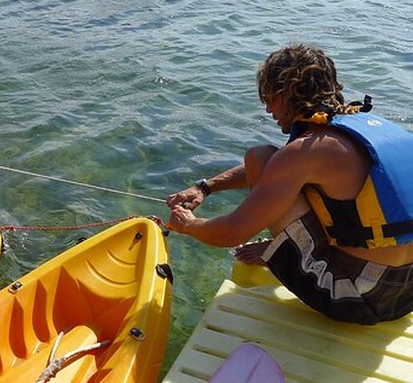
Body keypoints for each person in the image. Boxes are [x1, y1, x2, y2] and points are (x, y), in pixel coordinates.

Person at [165, 43, 413, 325]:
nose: (269, 109)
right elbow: (277, 171)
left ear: (290, 92)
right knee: (264, 159)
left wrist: (188, 225)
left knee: (258, 155)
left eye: (271, 97)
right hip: (407, 295)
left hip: (358, 298)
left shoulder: (306, 151)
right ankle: (283, 246)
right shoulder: (366, 128)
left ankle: (285, 250)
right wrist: (205, 187)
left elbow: (230, 234)